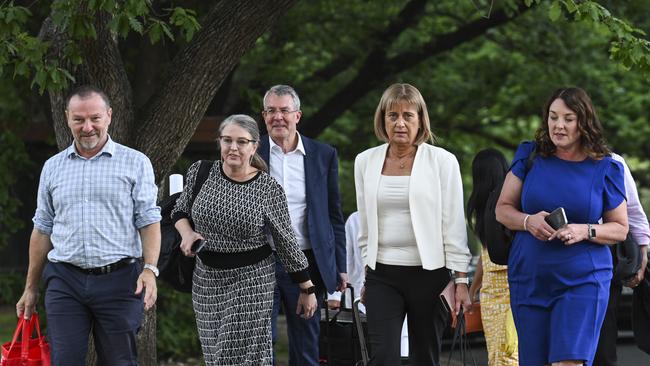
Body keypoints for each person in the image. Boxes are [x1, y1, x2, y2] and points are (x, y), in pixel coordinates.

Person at [15, 85, 162, 365]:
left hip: (120, 280)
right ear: (67, 118)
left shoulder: (135, 163)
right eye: (79, 119)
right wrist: (31, 286)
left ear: (109, 115)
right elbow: (43, 227)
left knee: (119, 362)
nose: (87, 127)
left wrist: (150, 269)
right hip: (65, 280)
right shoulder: (53, 167)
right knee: (64, 360)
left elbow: (149, 220)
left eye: (95, 118)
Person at [496, 87, 629, 366]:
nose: (558, 125)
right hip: (530, 279)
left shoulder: (605, 167)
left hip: (582, 280)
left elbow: (620, 229)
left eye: (568, 119)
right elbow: (502, 210)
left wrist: (585, 230)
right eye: (553, 117)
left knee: (568, 362)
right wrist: (527, 221)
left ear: (584, 122)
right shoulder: (530, 156)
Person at [172, 114, 318, 365]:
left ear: (254, 146)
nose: (233, 147)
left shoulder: (267, 188)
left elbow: (285, 242)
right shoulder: (201, 171)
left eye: (241, 141)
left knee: (232, 356)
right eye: (227, 140)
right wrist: (187, 233)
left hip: (251, 280)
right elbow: (180, 211)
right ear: (219, 141)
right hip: (207, 280)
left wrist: (306, 287)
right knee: (215, 356)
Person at [354, 83, 472, 366]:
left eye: (408, 115)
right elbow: (365, 226)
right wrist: (366, 274)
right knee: (383, 358)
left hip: (429, 276)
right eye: (392, 115)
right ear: (382, 119)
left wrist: (461, 280)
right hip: (382, 275)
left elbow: (454, 224)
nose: (400, 123)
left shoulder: (442, 162)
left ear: (421, 121)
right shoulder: (365, 161)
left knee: (425, 358)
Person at [258, 85, 347, 366]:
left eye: (284, 110)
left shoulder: (323, 154)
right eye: (271, 111)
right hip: (259, 260)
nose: (278, 117)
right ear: (264, 116)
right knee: (261, 342)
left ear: (298, 115)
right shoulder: (250, 150)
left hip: (307, 262)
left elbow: (334, 214)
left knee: (306, 344)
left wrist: (340, 266)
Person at [594, 153, 650, 366]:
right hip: (559, 256)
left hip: (604, 253)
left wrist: (642, 255)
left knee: (604, 334)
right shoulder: (545, 160)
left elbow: (634, 211)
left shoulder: (612, 162)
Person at [467, 148, 519, 366]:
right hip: (513, 289)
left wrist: (473, 291)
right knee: (510, 354)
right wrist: (471, 290)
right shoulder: (513, 205)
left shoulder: (492, 209)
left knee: (502, 356)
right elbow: (485, 254)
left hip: (498, 294)